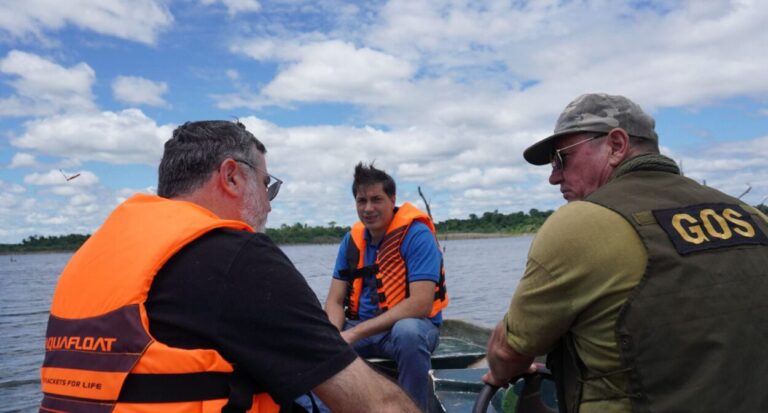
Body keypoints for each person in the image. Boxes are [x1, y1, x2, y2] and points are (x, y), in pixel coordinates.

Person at [39, 120, 420, 413]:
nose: (269, 204)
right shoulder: (236, 257)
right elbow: (376, 405)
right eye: (266, 184)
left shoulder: (91, 255)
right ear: (232, 176)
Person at [483, 93, 768, 413]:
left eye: (561, 158)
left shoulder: (582, 223)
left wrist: (504, 358)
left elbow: (508, 356)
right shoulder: (751, 217)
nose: (554, 177)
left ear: (616, 146)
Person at [323, 162, 449, 410]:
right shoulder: (351, 240)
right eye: (362, 201)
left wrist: (355, 333)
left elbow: (421, 304)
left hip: (409, 329)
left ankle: (413, 408)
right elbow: (335, 301)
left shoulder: (417, 235)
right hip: (361, 327)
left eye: (376, 199)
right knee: (314, 338)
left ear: (392, 199)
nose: (368, 208)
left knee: (408, 332)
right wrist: (332, 336)